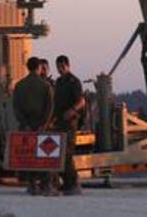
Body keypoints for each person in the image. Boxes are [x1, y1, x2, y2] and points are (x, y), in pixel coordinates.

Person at [13, 57, 55, 196]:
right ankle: (46, 184)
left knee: (29, 156)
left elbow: (16, 107)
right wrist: (44, 125)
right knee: (46, 155)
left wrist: (25, 124)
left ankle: (32, 185)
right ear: (39, 67)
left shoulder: (19, 85)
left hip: (26, 126)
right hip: (42, 126)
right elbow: (50, 107)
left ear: (27, 67)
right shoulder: (45, 86)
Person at [54, 55, 86, 195]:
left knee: (67, 153)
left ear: (68, 66)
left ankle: (73, 183)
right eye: (58, 67)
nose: (60, 69)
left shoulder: (74, 82)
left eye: (62, 66)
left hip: (70, 122)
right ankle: (67, 183)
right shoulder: (59, 82)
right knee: (60, 153)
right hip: (59, 121)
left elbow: (81, 101)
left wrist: (72, 111)